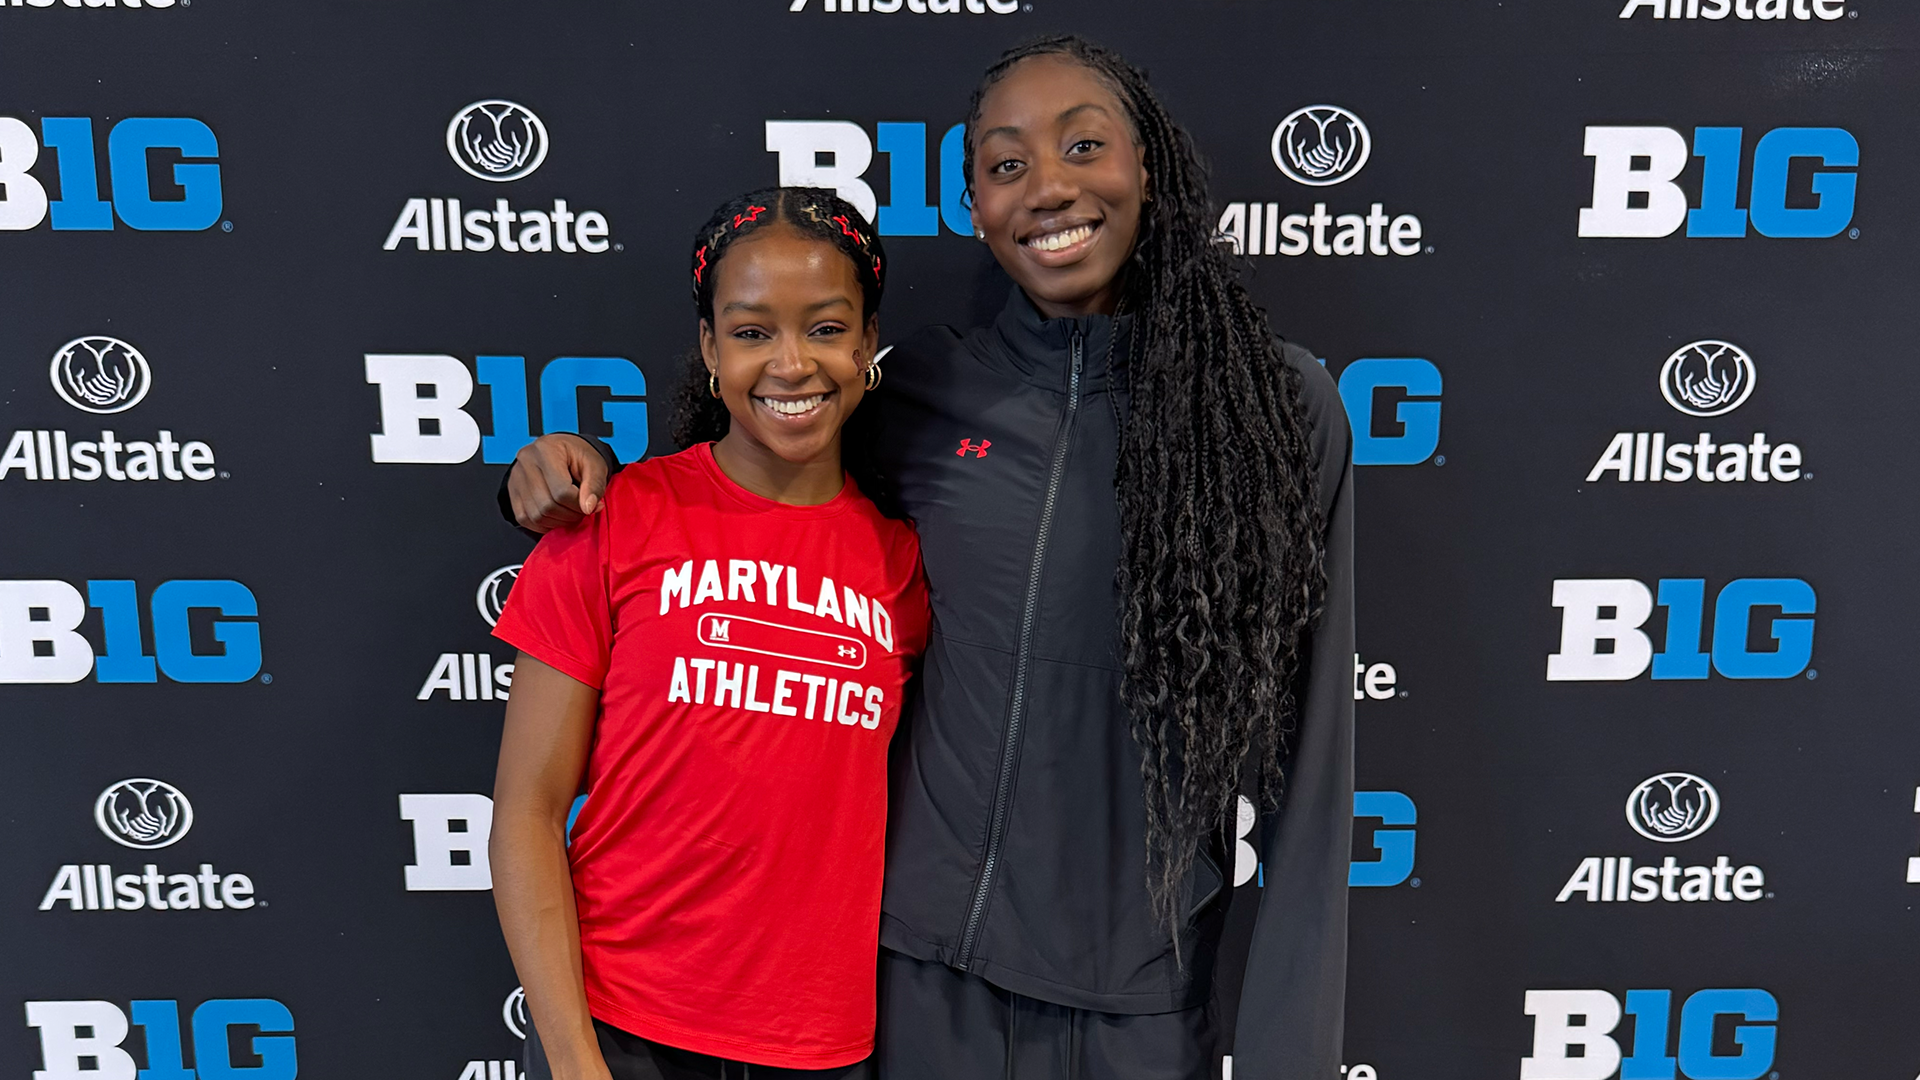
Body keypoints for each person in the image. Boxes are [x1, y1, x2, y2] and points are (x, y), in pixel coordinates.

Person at [505, 36, 1353, 1080]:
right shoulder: (918, 395)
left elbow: (1313, 759)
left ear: (1149, 163)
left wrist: (1289, 1055)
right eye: (1006, 164)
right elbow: (754, 477)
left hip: (1135, 1001)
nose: (1049, 187)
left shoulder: (1274, 411)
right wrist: (563, 470)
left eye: (1084, 145)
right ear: (973, 205)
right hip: (912, 986)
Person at [488, 186, 928, 1080]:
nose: (792, 364)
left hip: (819, 1047)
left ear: (867, 342)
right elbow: (526, 811)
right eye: (753, 331)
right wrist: (573, 1059)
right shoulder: (619, 520)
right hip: (619, 1032)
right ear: (710, 348)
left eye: (826, 328)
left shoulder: (904, 565)